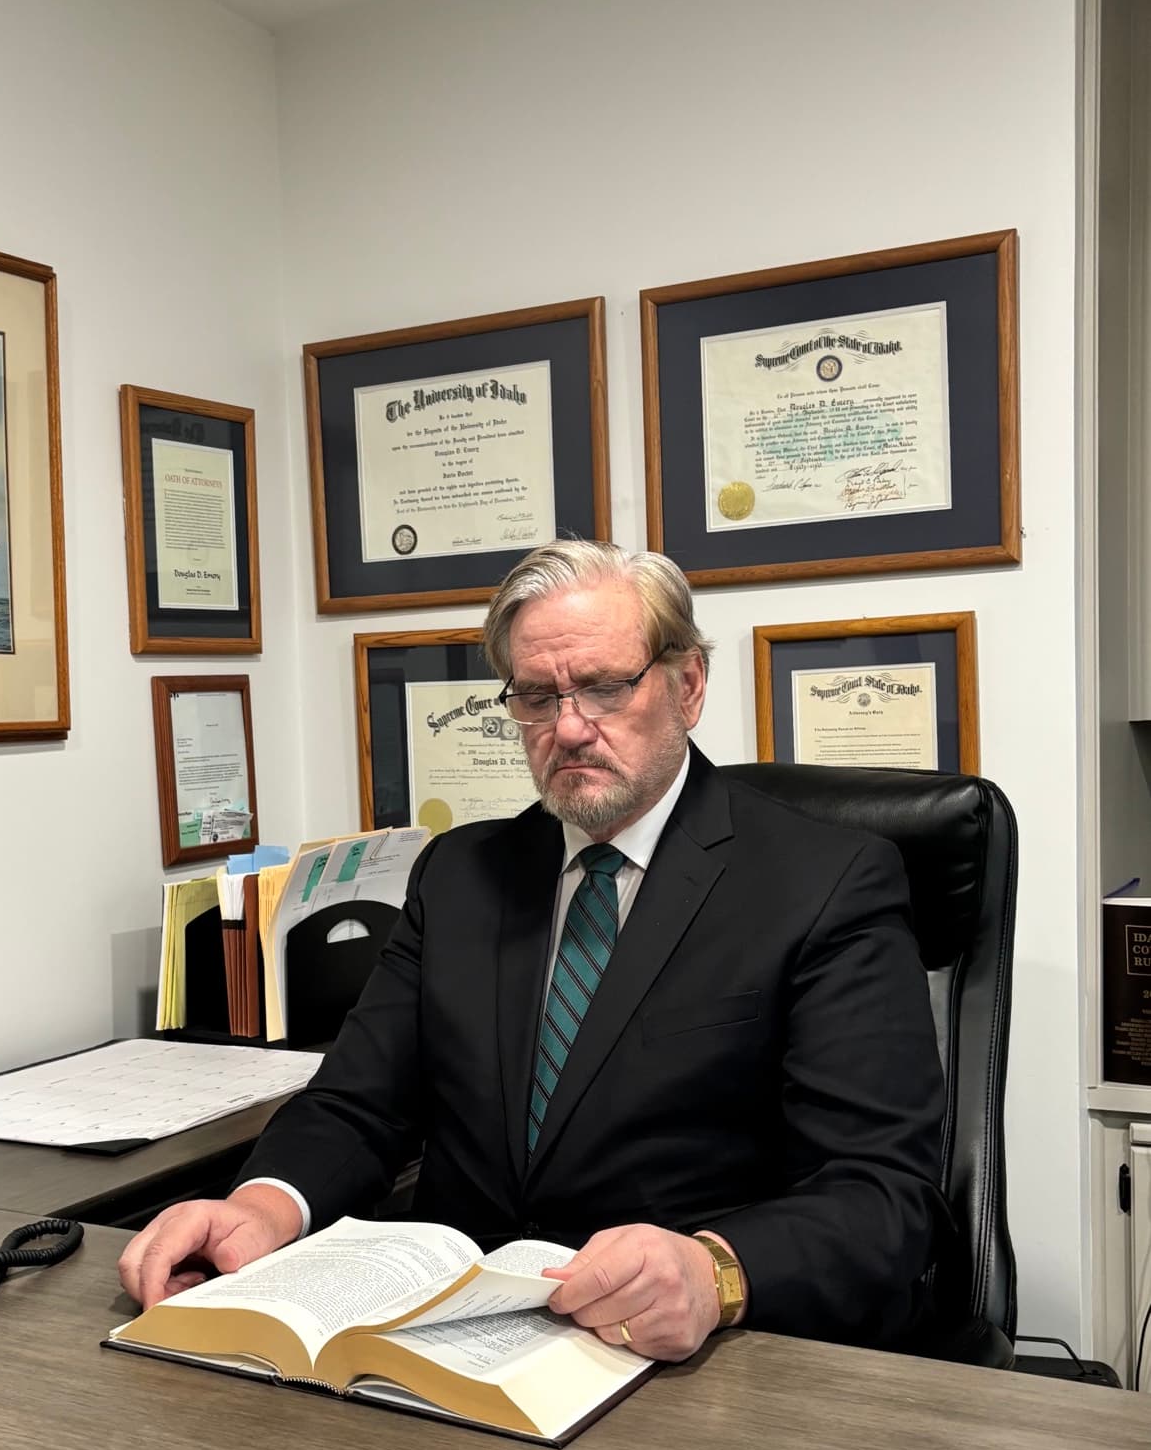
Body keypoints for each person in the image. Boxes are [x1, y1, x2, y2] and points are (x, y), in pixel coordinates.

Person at [120, 540, 950, 1360]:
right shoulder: (461, 874)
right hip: (447, 1338)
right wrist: (265, 1206)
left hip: (681, 1355)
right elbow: (358, 1104)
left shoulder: (826, 881)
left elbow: (883, 1198)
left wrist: (716, 1272)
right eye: (536, 698)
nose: (571, 728)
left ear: (688, 685)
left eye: (603, 687)